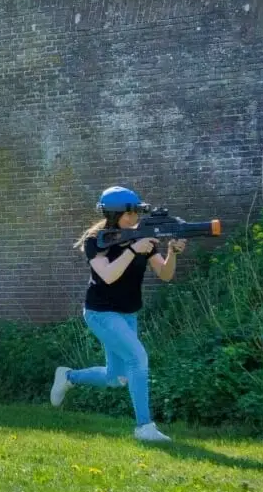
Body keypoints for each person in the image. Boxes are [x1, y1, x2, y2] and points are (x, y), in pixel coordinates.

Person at [50, 186, 186, 443]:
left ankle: (68, 377)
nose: (135, 217)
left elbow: (166, 275)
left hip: (128, 313)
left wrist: (171, 253)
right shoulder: (95, 240)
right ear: (114, 215)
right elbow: (109, 275)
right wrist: (134, 250)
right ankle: (144, 427)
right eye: (130, 213)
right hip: (101, 313)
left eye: (137, 211)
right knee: (138, 358)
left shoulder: (144, 236)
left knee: (117, 378)